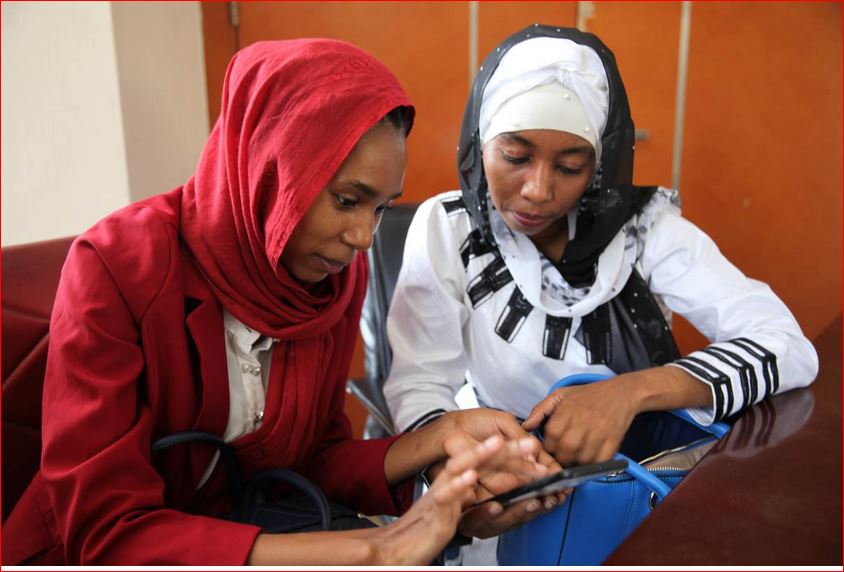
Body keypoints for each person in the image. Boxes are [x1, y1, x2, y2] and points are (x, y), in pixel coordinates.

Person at [2, 39, 557, 566]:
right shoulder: (118, 266)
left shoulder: (331, 280)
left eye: (382, 209)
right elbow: (106, 533)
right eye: (346, 200)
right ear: (273, 167)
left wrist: (445, 450)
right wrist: (376, 550)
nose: (364, 236)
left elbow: (313, 458)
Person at [383, 24, 819, 558]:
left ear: (600, 164)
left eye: (570, 166)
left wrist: (629, 393)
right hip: (496, 486)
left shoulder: (644, 230)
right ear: (479, 141)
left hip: (631, 490)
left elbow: (788, 346)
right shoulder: (448, 228)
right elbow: (420, 384)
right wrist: (459, 472)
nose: (538, 190)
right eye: (515, 157)